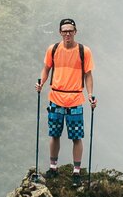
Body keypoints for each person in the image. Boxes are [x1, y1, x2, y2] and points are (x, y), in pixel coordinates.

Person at [35, 17, 96, 180]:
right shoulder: (53, 49)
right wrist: (41, 83)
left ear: (75, 32)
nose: (67, 33)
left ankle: (76, 171)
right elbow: (46, 69)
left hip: (75, 98)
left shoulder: (84, 51)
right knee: (54, 134)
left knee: (76, 136)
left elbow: (88, 75)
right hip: (56, 97)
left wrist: (90, 95)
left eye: (70, 31)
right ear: (60, 32)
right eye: (65, 31)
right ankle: (53, 167)